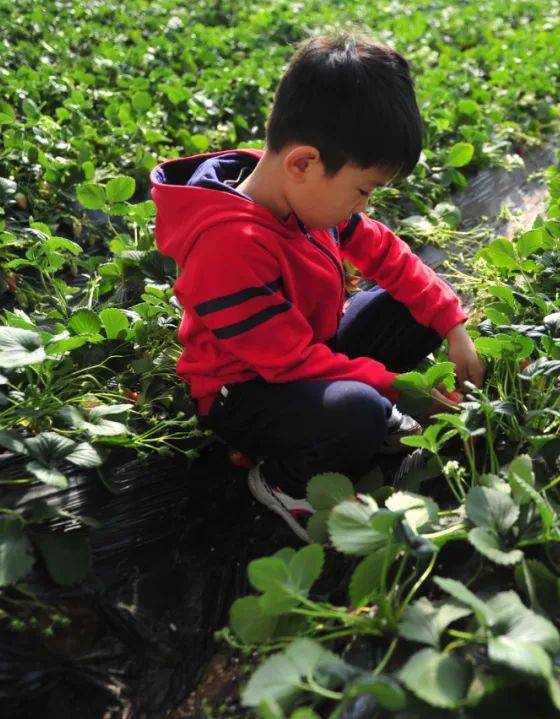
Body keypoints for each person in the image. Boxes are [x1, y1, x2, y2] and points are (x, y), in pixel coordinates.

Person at [150, 32, 484, 540]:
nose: (364, 207)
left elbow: (386, 252)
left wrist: (453, 323)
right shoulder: (228, 248)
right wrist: (402, 389)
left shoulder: (302, 196)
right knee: (359, 413)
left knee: (411, 305)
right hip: (246, 391)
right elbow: (289, 362)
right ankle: (284, 481)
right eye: (362, 191)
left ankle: (357, 407)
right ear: (304, 163)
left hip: (312, 347)